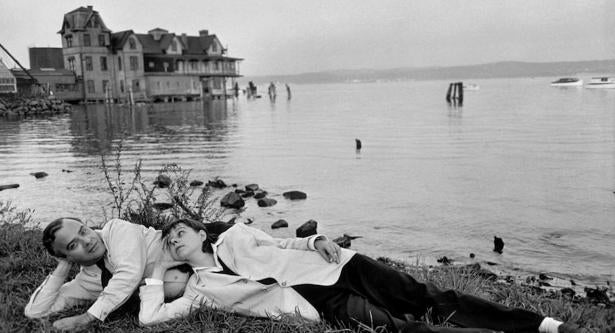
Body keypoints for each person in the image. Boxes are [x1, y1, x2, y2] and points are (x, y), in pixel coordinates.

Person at [138, 219, 592, 333]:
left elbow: (284, 245)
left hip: (337, 265)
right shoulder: (200, 289)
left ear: (200, 231)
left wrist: (316, 241)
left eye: (180, 230)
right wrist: (157, 274)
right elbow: (148, 321)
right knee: (399, 328)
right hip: (316, 302)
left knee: (426, 295)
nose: (175, 238)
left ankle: (541, 324)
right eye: (169, 239)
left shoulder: (236, 233)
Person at [24, 217, 188, 331]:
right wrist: (63, 267)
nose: (87, 241)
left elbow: (128, 274)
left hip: (206, 246)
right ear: (65, 256)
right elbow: (35, 312)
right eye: (74, 245)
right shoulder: (86, 282)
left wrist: (88, 317)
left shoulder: (117, 230)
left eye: (83, 231)